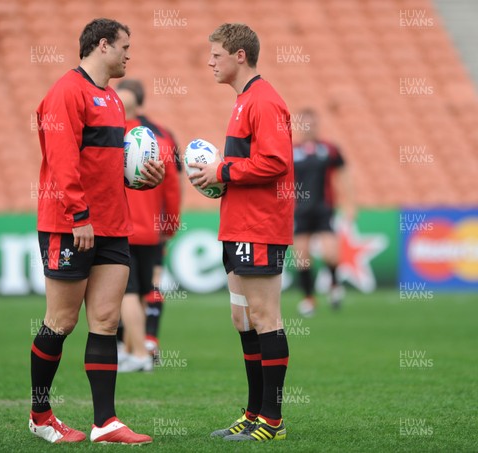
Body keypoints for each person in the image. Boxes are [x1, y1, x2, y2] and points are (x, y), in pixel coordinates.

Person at [30, 18, 164, 445]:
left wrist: (143, 176)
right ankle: (40, 415)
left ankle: (105, 422)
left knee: (105, 320)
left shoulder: (112, 99)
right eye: (125, 46)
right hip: (71, 224)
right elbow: (62, 160)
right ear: (102, 45)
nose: (129, 54)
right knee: (61, 321)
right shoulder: (67, 92)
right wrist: (78, 215)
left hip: (111, 225)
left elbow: (107, 166)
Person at [189, 23, 294, 442]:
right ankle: (253, 413)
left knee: (266, 318)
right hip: (237, 224)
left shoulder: (264, 102)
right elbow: (247, 166)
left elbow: (275, 162)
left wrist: (222, 171)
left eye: (215, 54)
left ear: (239, 56)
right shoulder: (243, 101)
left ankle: (273, 421)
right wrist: (218, 180)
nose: (210, 62)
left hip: (260, 226)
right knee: (243, 319)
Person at [114, 81, 181, 372]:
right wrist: (170, 225)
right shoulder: (162, 142)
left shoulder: (110, 139)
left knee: (126, 293)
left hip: (120, 228)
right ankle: (135, 348)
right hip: (152, 230)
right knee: (146, 290)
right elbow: (173, 189)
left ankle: (139, 352)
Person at [292, 108, 355, 317]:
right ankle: (309, 299)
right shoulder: (290, 151)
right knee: (302, 257)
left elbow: (343, 173)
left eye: (311, 123)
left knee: (330, 253)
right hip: (299, 211)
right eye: (305, 123)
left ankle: (335, 286)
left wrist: (349, 203)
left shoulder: (329, 149)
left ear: (317, 125)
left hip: (323, 209)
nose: (308, 127)